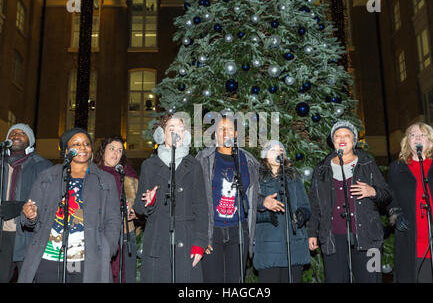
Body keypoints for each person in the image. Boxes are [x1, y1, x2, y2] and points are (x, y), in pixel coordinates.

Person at [18, 128, 121, 283]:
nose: (82, 147)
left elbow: (113, 219)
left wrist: (107, 247)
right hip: (49, 257)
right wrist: (30, 215)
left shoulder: (105, 180)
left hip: (81, 258)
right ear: (66, 150)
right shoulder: (49, 176)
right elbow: (31, 215)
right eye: (76, 144)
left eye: (86, 144)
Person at [195, 115, 284, 283]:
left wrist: (263, 201)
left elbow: (251, 194)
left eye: (229, 129)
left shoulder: (248, 160)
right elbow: (196, 197)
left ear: (236, 133)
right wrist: (201, 236)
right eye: (220, 129)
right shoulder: (203, 159)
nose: (225, 132)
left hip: (239, 231)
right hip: (212, 230)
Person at [307, 120, 391, 283]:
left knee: (371, 278)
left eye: (347, 135)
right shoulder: (321, 169)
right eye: (337, 136)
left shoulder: (367, 163)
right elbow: (314, 204)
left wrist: (372, 191)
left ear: (354, 141)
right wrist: (311, 233)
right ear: (333, 141)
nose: (342, 139)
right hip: (333, 238)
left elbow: (387, 194)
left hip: (368, 237)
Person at [133, 114, 209, 283]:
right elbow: (139, 207)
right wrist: (149, 201)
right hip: (158, 243)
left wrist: (200, 243)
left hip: (187, 242)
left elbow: (202, 208)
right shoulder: (149, 166)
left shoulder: (194, 165)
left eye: (181, 130)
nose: (177, 133)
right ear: (161, 134)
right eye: (171, 129)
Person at [387, 122, 433, 283]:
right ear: (407, 141)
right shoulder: (397, 168)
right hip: (412, 239)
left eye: (422, 134)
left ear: (431, 140)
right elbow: (390, 197)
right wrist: (396, 214)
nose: (417, 137)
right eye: (413, 134)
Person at [0, 123, 52, 282]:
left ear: (30, 140)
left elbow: (49, 202)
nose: (15, 136)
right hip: (3, 236)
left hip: (28, 236)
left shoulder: (43, 166)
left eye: (21, 133)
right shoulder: (1, 162)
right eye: (12, 133)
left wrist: (20, 206)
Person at [253, 140, 311, 283]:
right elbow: (248, 209)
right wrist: (266, 214)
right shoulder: (257, 179)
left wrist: (302, 214)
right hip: (268, 248)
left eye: (281, 151)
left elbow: (305, 205)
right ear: (264, 156)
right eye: (273, 150)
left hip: (294, 247)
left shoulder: (293, 177)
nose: (278, 153)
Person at [94, 136, 138, 283]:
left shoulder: (128, 174)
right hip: (99, 234)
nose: (116, 153)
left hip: (125, 233)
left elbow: (140, 202)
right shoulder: (92, 174)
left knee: (125, 275)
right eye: (112, 149)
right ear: (103, 151)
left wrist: (136, 212)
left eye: (119, 150)